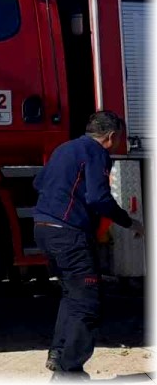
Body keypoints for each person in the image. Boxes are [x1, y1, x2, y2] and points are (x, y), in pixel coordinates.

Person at [33, 111, 144, 379]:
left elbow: (38, 182)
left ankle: (58, 353)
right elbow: (98, 198)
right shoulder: (96, 153)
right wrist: (129, 222)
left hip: (43, 229)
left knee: (72, 295)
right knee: (88, 303)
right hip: (69, 234)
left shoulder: (64, 148)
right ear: (111, 136)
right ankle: (70, 370)